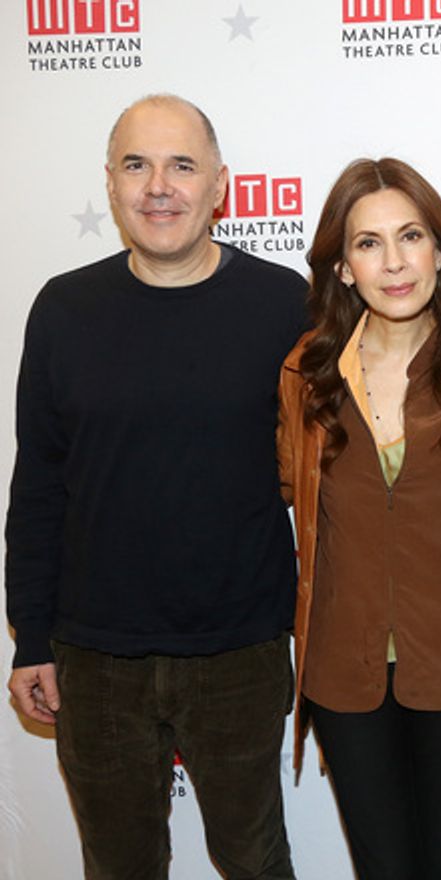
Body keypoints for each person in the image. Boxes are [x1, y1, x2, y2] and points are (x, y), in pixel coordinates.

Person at [5, 94, 305, 879]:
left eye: (182, 165)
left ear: (221, 186)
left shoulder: (286, 306)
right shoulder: (63, 309)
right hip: (94, 658)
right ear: (110, 184)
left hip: (240, 650)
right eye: (137, 165)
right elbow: (37, 486)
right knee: (119, 867)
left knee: (256, 859)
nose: (158, 186)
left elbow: (326, 471)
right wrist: (29, 637)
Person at [276, 157, 441, 880]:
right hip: (343, 668)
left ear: (440, 252)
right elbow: (295, 491)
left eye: (411, 236)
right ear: (343, 267)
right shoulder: (305, 373)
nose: (393, 262)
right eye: (368, 243)